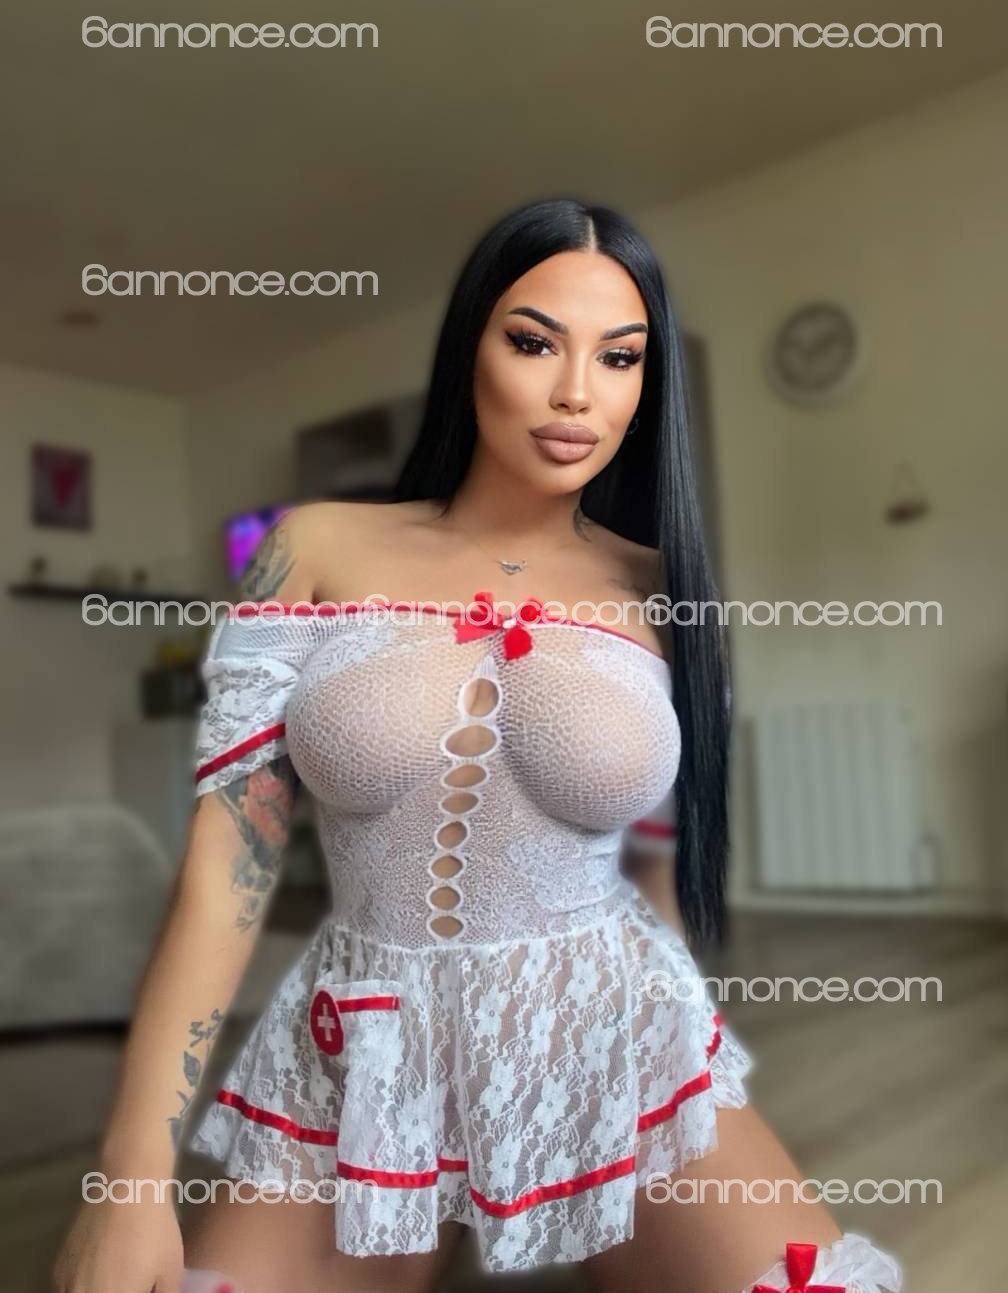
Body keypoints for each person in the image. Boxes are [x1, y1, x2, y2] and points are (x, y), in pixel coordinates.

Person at [54, 199, 903, 1293]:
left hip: (611, 1032)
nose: (577, 392)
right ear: (471, 349)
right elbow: (227, 873)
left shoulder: (669, 590)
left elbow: (653, 862)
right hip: (364, 1050)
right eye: (535, 341)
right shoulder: (309, 548)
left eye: (620, 357)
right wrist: (128, 1180)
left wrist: (688, 1036)